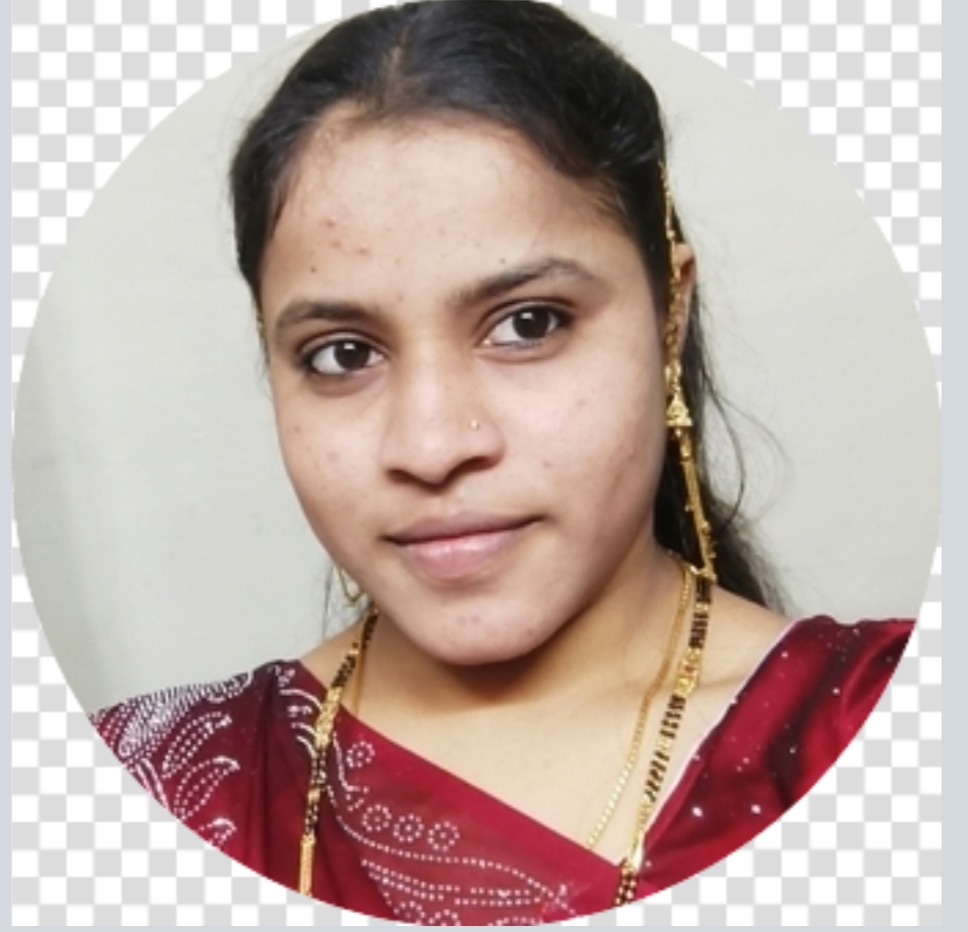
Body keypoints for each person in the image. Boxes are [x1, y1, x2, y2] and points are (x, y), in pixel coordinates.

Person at [90, 2, 913, 923]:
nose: (431, 446)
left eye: (528, 324)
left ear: (668, 313)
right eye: (343, 353)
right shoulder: (143, 792)